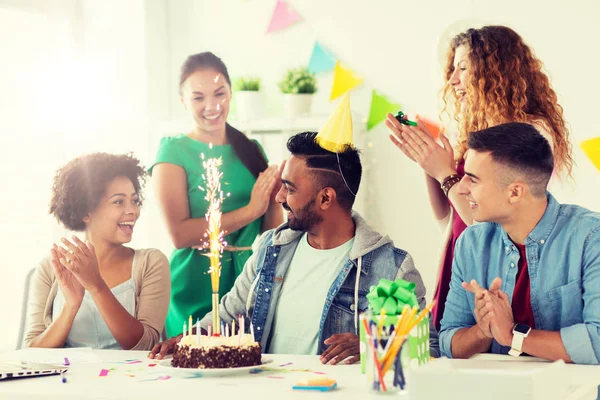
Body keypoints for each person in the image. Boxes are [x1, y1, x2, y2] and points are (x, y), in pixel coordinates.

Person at [149, 131, 440, 363]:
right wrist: (192, 337)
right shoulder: (271, 249)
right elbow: (229, 313)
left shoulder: (389, 267)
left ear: (326, 198)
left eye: (289, 188)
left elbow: (426, 347)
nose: (278, 198)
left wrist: (372, 345)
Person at [385, 25, 574, 331]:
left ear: (494, 72)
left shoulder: (532, 132)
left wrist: (444, 174)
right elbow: (446, 217)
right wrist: (428, 165)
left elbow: (487, 225)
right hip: (462, 256)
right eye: (452, 69)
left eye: (463, 68)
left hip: (500, 263)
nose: (453, 80)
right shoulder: (475, 134)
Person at [439, 122, 600, 364]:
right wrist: (482, 331)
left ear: (515, 192)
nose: (460, 188)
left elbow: (597, 341)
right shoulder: (470, 243)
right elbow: (447, 343)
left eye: (472, 179)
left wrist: (514, 335)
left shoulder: (590, 237)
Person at [149, 52, 283, 337]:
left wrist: (275, 200)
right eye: (198, 97)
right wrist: (250, 211)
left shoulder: (252, 149)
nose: (211, 106)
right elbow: (180, 234)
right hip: (193, 283)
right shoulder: (172, 151)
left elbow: (272, 232)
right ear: (183, 101)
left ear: (231, 93)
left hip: (248, 282)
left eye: (219, 93)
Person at [24, 153, 170, 350]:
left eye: (134, 201)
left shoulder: (151, 262)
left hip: (132, 380)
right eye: (119, 202)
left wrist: (96, 286)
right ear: (86, 212)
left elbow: (145, 346)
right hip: (67, 380)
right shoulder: (51, 268)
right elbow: (32, 351)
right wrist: (70, 306)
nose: (133, 211)